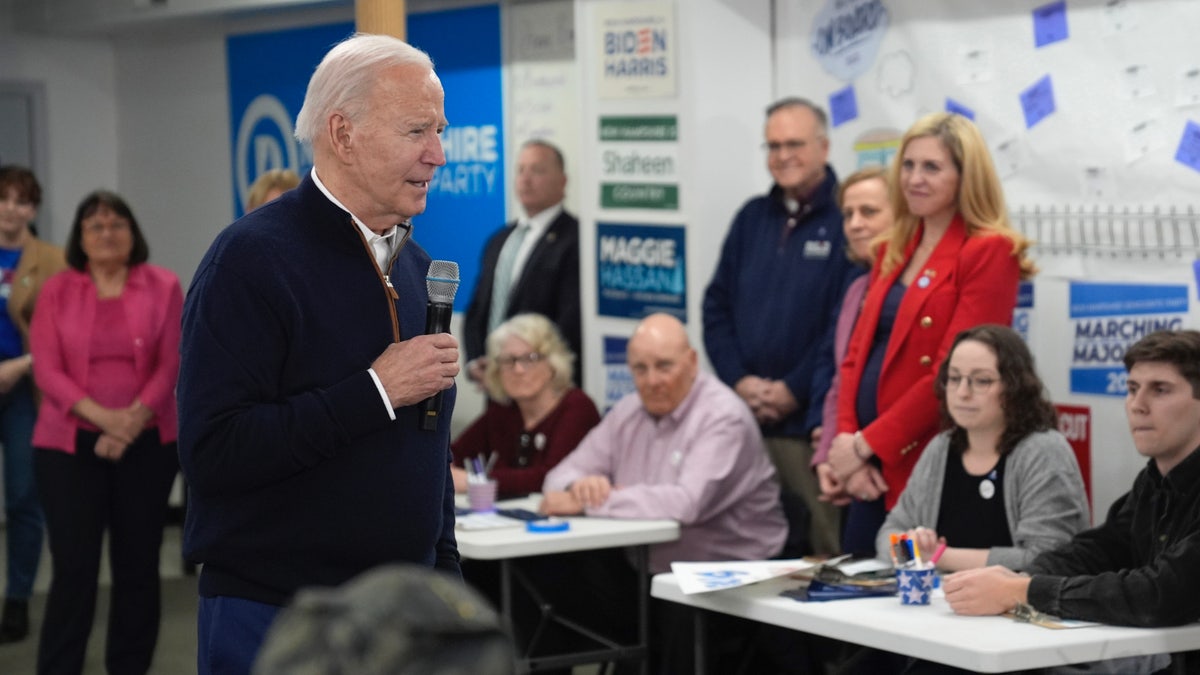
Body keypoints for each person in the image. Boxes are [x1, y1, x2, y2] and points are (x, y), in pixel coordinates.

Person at [178, 34, 461, 675]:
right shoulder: (249, 261)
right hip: (277, 617)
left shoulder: (417, 268)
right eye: (417, 130)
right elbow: (214, 453)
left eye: (439, 130)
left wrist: (447, 584)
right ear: (343, 133)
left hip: (404, 618)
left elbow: (427, 456)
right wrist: (375, 391)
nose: (438, 154)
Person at [826, 112, 1036, 557]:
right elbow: (855, 357)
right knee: (855, 605)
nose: (914, 179)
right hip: (866, 466)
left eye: (932, 168)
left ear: (965, 177)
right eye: (908, 165)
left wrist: (868, 444)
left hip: (926, 462)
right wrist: (847, 446)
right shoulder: (892, 246)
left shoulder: (988, 252)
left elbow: (953, 374)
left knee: (913, 600)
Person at [536, 313, 786, 672]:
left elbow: (686, 504)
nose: (652, 381)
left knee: (668, 619)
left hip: (725, 575)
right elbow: (558, 477)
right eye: (640, 369)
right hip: (648, 569)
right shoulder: (629, 411)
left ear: (692, 362)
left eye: (664, 366)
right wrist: (580, 486)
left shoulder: (722, 417)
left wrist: (597, 500)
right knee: (547, 584)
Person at [944, 329, 1200, 635]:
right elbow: (1099, 550)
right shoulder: (1153, 480)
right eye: (1132, 388)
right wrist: (1021, 577)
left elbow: (1159, 596)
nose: (1137, 404)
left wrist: (1023, 589)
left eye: (1160, 390)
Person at [30, 190, 182, 674]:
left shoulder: (162, 285)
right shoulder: (57, 290)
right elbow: (48, 369)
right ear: (80, 238)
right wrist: (106, 418)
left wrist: (130, 421)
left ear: (133, 233)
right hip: (67, 444)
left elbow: (173, 361)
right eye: (94, 226)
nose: (106, 234)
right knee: (74, 568)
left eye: (116, 224)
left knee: (138, 567)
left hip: (148, 442)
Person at [702, 97, 856, 557]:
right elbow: (716, 307)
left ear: (824, 147)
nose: (782, 155)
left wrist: (793, 388)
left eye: (794, 143)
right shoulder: (752, 218)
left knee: (822, 558)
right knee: (743, 554)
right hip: (745, 425)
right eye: (772, 145)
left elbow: (841, 329)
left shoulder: (850, 220)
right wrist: (740, 381)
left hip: (809, 432)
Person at [875, 325, 1090, 572]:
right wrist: (912, 551)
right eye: (954, 379)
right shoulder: (941, 448)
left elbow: (1047, 557)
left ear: (1014, 387)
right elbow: (887, 537)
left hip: (1019, 607)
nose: (962, 393)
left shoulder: (1043, 451)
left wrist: (940, 557)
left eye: (981, 381)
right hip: (942, 605)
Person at [0, 166, 65, 644]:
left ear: (34, 209)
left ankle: (17, 598)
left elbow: (65, 333)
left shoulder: (53, 260)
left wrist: (20, 365)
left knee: (24, 497)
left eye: (21, 201)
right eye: (3, 199)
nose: (11, 209)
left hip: (23, 386)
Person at [463, 140, 581, 386]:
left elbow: (569, 322)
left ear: (563, 181)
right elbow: (478, 309)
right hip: (495, 384)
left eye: (537, 170)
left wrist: (523, 366)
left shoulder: (576, 239)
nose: (526, 179)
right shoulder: (499, 240)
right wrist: (477, 360)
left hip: (545, 386)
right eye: (521, 170)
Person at [812, 166, 895, 507]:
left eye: (869, 212)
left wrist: (860, 452)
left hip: (898, 465)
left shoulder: (918, 291)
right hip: (854, 465)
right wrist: (831, 457)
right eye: (848, 214)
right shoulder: (856, 290)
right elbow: (840, 383)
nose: (855, 224)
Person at [451, 313, 599, 498]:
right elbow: (452, 454)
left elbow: (550, 478)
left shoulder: (577, 408)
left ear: (553, 363)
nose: (518, 370)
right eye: (508, 360)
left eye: (530, 358)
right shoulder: (504, 411)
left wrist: (473, 480)